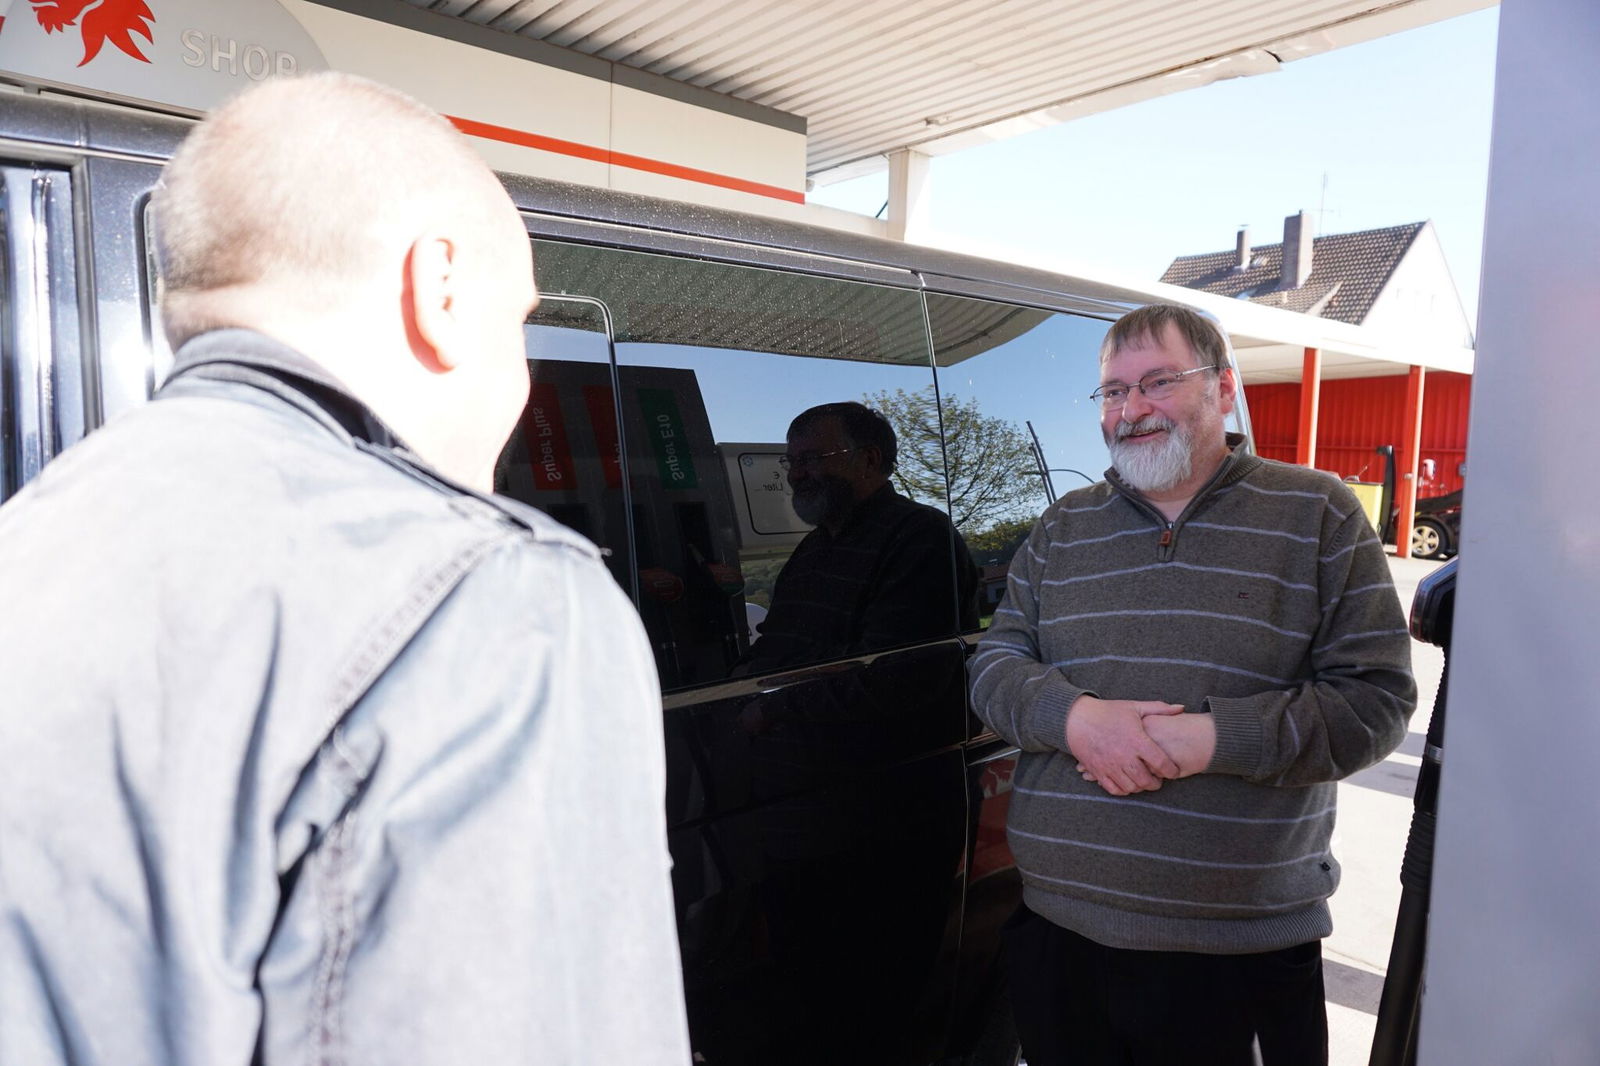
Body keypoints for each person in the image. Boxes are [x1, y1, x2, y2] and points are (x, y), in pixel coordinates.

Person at [0, 74, 690, 1065]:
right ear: (438, 288)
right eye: (519, 318)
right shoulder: (487, 597)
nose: (522, 373)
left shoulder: (38, 529)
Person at [969, 303, 1416, 1066]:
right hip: (1057, 932)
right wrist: (1077, 720)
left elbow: (1375, 702)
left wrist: (1205, 740)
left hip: (1235, 952)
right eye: (1112, 391)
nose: (1131, 409)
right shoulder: (1064, 525)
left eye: (1158, 382)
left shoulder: (1318, 514)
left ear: (1225, 389)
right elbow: (993, 663)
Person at [740, 401, 978, 673]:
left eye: (811, 459)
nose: (796, 474)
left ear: (868, 459)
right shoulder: (811, 548)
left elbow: (899, 671)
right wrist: (738, 677)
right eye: (792, 462)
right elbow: (776, 640)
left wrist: (767, 708)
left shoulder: (921, 535)